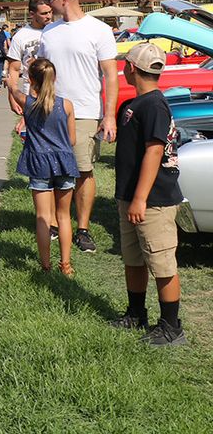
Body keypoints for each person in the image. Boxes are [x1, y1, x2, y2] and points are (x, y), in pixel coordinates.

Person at [110, 42, 186, 346]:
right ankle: (136, 313)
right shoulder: (136, 104)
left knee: (162, 262)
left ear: (131, 68)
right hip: (132, 197)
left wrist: (141, 198)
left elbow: (154, 151)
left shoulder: (154, 105)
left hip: (153, 200)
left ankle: (171, 326)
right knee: (134, 258)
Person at [37, 0, 118, 255]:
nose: (47, 4)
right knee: (52, 169)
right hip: (49, 111)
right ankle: (55, 223)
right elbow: (42, 72)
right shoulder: (49, 31)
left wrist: (109, 116)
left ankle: (82, 229)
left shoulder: (99, 30)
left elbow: (110, 75)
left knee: (83, 170)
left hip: (84, 112)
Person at [11, 59, 78, 275]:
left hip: (39, 163)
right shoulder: (67, 105)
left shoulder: (27, 103)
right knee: (64, 216)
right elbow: (72, 140)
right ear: (54, 78)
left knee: (43, 217)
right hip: (64, 164)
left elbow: (13, 89)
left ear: (31, 80)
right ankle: (66, 264)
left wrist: (14, 79)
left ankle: (46, 266)